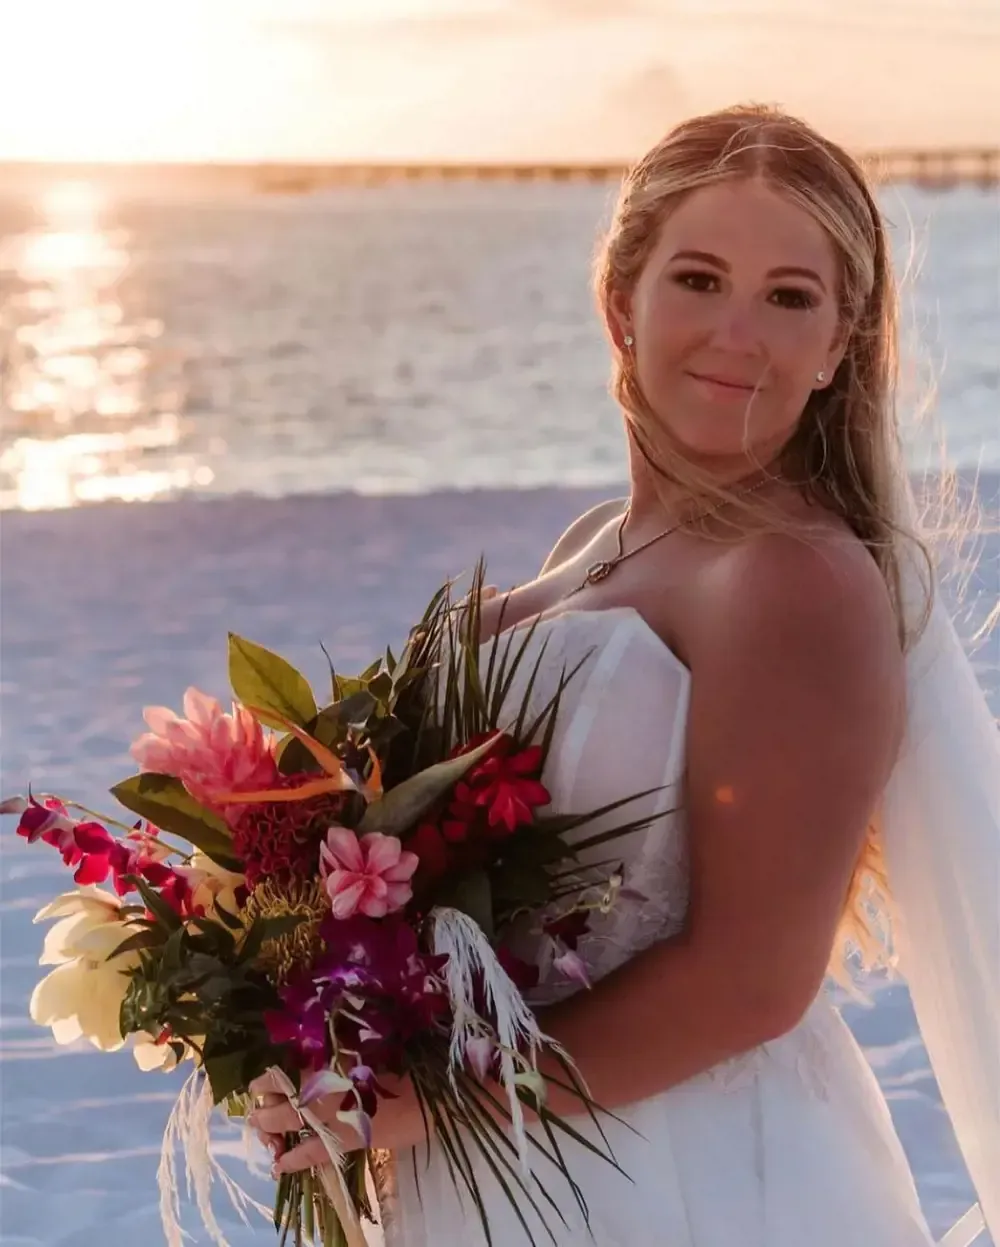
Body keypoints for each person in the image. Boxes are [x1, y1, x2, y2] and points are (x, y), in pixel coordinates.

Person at [249, 104, 999, 1246]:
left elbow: (753, 980)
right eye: (698, 279)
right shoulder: (599, 541)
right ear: (619, 301)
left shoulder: (792, 579)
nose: (738, 334)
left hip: (682, 1173)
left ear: (839, 343)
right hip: (518, 1152)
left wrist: (433, 1105)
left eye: (789, 297)